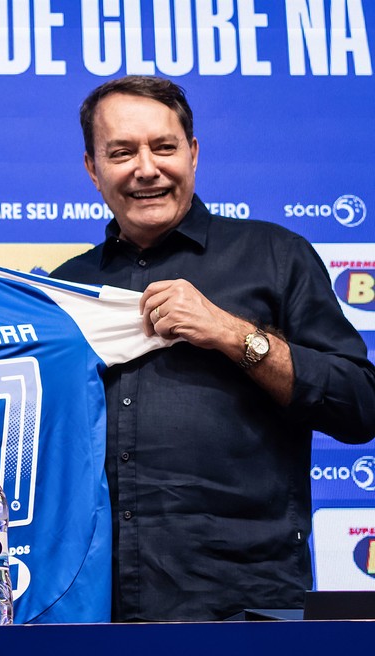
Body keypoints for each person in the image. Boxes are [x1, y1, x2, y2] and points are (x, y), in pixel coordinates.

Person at [52, 75, 375, 622]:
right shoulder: (64, 290)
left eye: (164, 146)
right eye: (122, 152)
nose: (146, 168)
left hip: (249, 605)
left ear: (193, 153)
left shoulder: (276, 256)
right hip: (99, 609)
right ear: (92, 168)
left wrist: (233, 335)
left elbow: (360, 407)